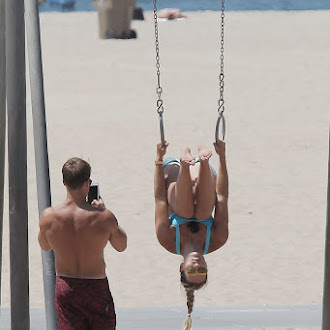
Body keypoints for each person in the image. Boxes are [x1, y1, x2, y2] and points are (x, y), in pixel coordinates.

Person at [38, 157, 127, 330]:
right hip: (95, 286)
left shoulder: (49, 217)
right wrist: (105, 212)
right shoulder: (103, 217)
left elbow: (45, 246)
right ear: (88, 182)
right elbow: (121, 245)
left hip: (66, 286)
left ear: (64, 181)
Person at [154, 141, 229, 330]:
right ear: (206, 266)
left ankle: (184, 159)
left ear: (182, 267)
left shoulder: (168, 240)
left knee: (186, 212)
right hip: (204, 177)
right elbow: (222, 197)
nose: (197, 266)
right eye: (201, 271)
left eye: (192, 271)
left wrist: (158, 158)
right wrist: (222, 157)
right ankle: (200, 161)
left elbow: (160, 197)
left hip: (171, 176)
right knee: (203, 214)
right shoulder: (217, 239)